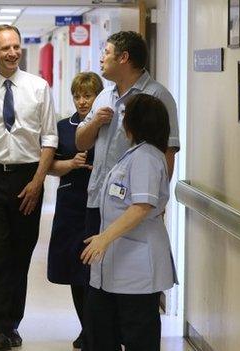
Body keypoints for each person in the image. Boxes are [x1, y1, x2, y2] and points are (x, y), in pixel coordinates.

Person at [0, 25, 58, 350]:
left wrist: (37, 181)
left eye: (16, 46)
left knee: (20, 255)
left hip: (27, 178)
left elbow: (50, 139)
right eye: (5, 48)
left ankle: (12, 324)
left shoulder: (38, 88)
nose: (12, 53)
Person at [75, 31, 180, 273]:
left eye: (107, 53)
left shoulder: (156, 96)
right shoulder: (104, 96)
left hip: (133, 206)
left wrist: (157, 204)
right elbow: (81, 143)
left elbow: (167, 154)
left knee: (128, 276)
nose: (102, 58)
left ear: (123, 58)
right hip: (98, 199)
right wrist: (93, 123)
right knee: (95, 274)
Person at [80, 93, 177, 351]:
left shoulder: (145, 157)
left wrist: (104, 238)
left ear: (136, 122)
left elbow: (141, 206)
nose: (121, 121)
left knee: (138, 337)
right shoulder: (134, 154)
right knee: (102, 331)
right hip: (119, 263)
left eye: (124, 116)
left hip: (137, 268)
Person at [46, 72, 103, 350]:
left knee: (94, 271)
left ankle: (97, 329)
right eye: (78, 96)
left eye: (88, 96)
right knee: (74, 270)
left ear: (98, 97)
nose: (82, 101)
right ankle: (86, 328)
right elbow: (49, 166)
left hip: (101, 206)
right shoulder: (62, 127)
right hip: (70, 204)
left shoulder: (108, 126)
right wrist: (70, 164)